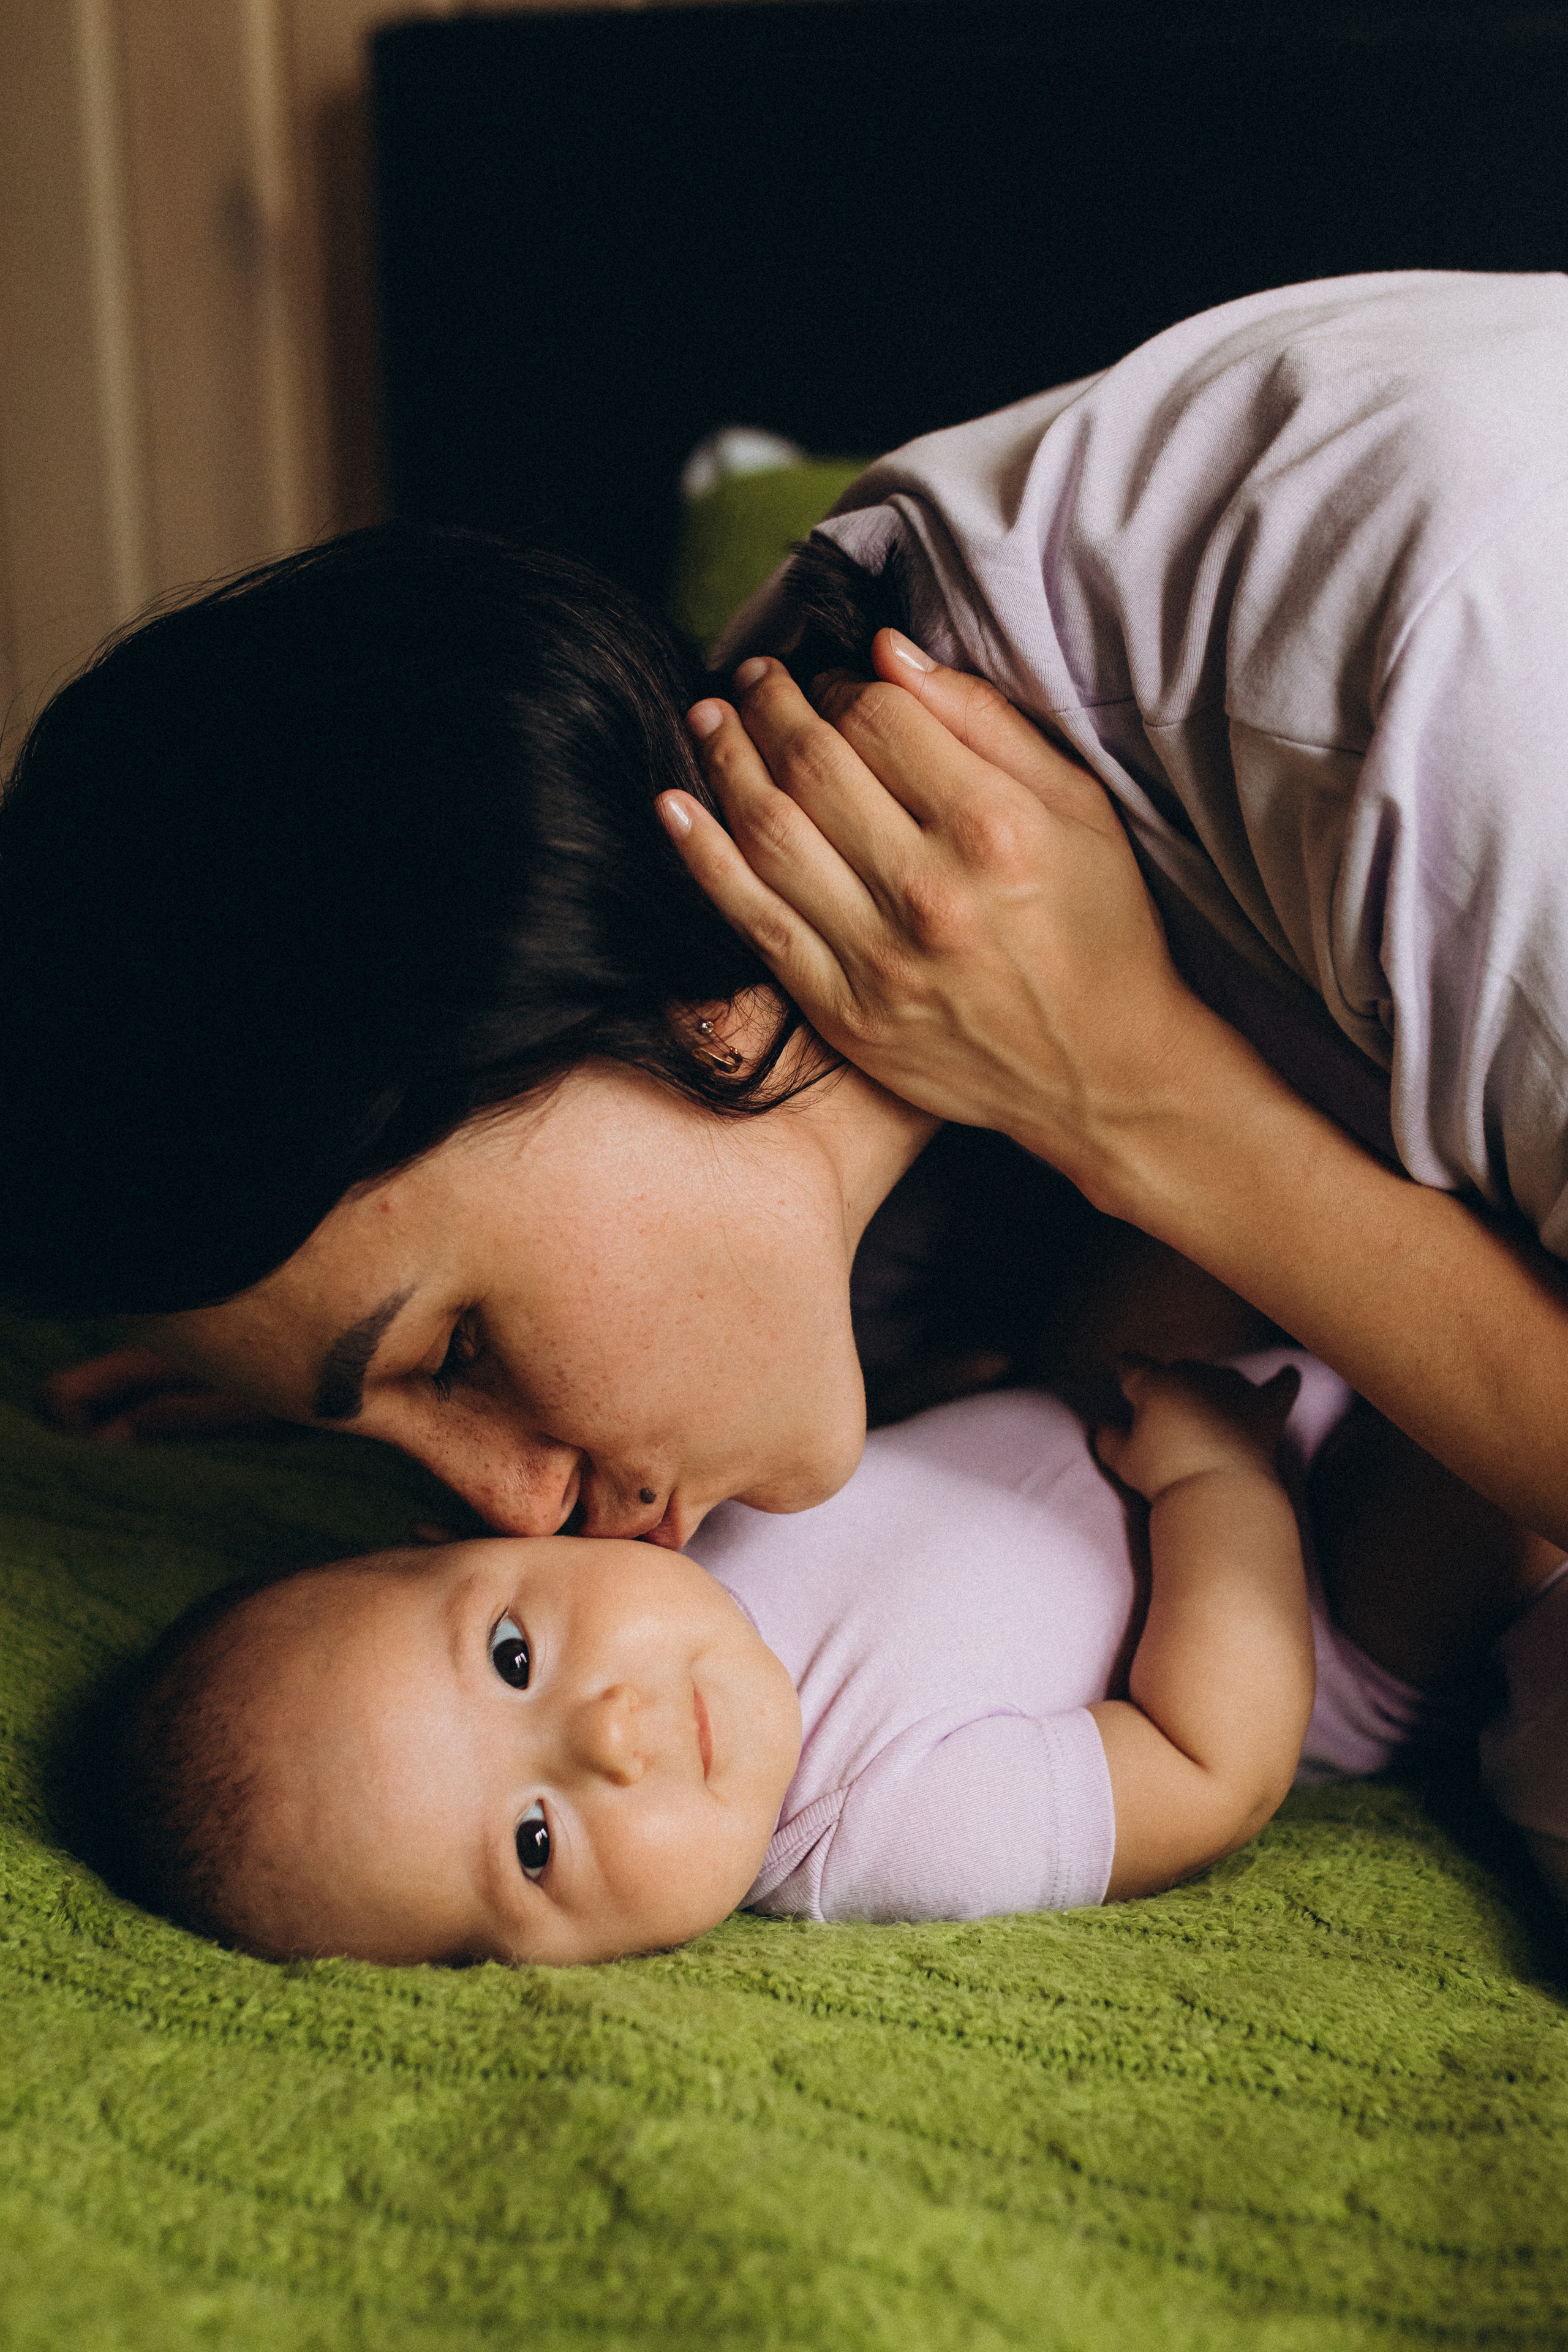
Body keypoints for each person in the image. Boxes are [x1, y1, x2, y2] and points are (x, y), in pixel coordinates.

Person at [8, 277, 1565, 1627]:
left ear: (624, 978)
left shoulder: (1432, 685)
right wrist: (320, 1348)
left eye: (460, 1349)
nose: (516, 1514)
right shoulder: (789, 864)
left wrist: (1138, 1096)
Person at [119, 1349, 1552, 1967]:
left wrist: (311, 1402)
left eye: (507, 1654)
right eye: (537, 1843)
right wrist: (1215, 1487)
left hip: (1113, 1394)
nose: (608, 1737)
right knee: (1467, 1407)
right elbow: (1209, 1765)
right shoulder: (871, 1835)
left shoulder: (657, 1532)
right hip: (1313, 1596)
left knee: (1187, 1210)